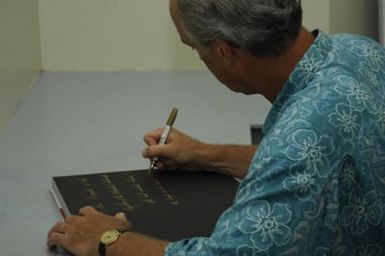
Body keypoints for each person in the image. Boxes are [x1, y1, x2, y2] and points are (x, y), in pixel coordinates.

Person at [47, 0, 385, 255]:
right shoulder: (360, 50)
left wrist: (109, 241)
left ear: (224, 52)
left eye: (194, 47)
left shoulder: (296, 146)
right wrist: (205, 155)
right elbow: (317, 162)